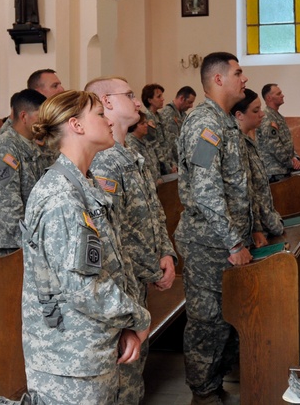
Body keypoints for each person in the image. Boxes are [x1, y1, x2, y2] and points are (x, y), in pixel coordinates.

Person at [20, 90, 150, 404]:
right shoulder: (62, 197)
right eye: (99, 115)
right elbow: (83, 289)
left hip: (93, 346)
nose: (108, 120)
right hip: (70, 360)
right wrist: (138, 317)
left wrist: (125, 325)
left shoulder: (84, 184)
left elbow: (110, 264)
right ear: (76, 125)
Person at [87, 77, 176, 405]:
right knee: (122, 379)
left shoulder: (129, 153)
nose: (137, 102)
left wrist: (166, 253)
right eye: (129, 95)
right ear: (107, 102)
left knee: (133, 373)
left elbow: (153, 213)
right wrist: (154, 266)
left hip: (136, 282)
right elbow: (117, 231)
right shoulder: (105, 160)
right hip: (119, 285)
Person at [175, 52, 252, 405]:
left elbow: (237, 185)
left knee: (225, 321)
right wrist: (234, 243)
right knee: (208, 323)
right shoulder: (203, 124)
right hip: (208, 244)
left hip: (223, 241)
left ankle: (215, 384)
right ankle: (203, 392)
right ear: (218, 79)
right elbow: (206, 191)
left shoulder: (224, 123)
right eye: (238, 73)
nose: (244, 79)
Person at [0, 89, 46, 390]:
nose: (43, 124)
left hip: (25, 243)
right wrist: (28, 244)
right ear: (24, 116)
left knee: (22, 311)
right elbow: (6, 206)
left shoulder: (26, 145)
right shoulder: (7, 148)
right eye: (39, 118)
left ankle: (17, 371)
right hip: (12, 245)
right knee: (10, 312)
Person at [231, 88, 284, 246]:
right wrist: (258, 228)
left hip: (264, 224)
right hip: (250, 232)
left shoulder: (247, 142)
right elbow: (248, 191)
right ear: (239, 115)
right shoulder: (236, 145)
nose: (262, 114)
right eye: (256, 110)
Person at [0, 68, 66, 138]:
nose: (62, 89)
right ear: (38, 92)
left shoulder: (56, 116)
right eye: (55, 86)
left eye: (60, 85)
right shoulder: (26, 122)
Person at [256, 83, 300, 181]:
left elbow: (286, 143)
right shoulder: (267, 117)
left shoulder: (277, 116)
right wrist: (291, 162)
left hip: (282, 170)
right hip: (274, 173)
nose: (282, 95)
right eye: (278, 93)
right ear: (269, 98)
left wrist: (294, 157)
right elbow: (274, 146)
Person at [142, 83, 176, 175]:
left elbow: (167, 143)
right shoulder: (147, 119)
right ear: (150, 100)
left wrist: (172, 164)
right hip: (158, 167)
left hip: (168, 165)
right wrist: (168, 167)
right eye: (158, 96)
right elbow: (155, 146)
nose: (162, 99)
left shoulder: (160, 117)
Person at [157, 85, 196, 166]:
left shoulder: (182, 114)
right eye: (189, 102)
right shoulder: (168, 114)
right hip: (173, 163)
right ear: (181, 98)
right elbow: (171, 143)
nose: (191, 106)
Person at [125, 111, 164, 185]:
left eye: (146, 122)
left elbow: (154, 162)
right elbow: (140, 170)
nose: (146, 125)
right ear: (133, 126)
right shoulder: (131, 144)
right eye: (142, 123)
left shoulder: (144, 140)